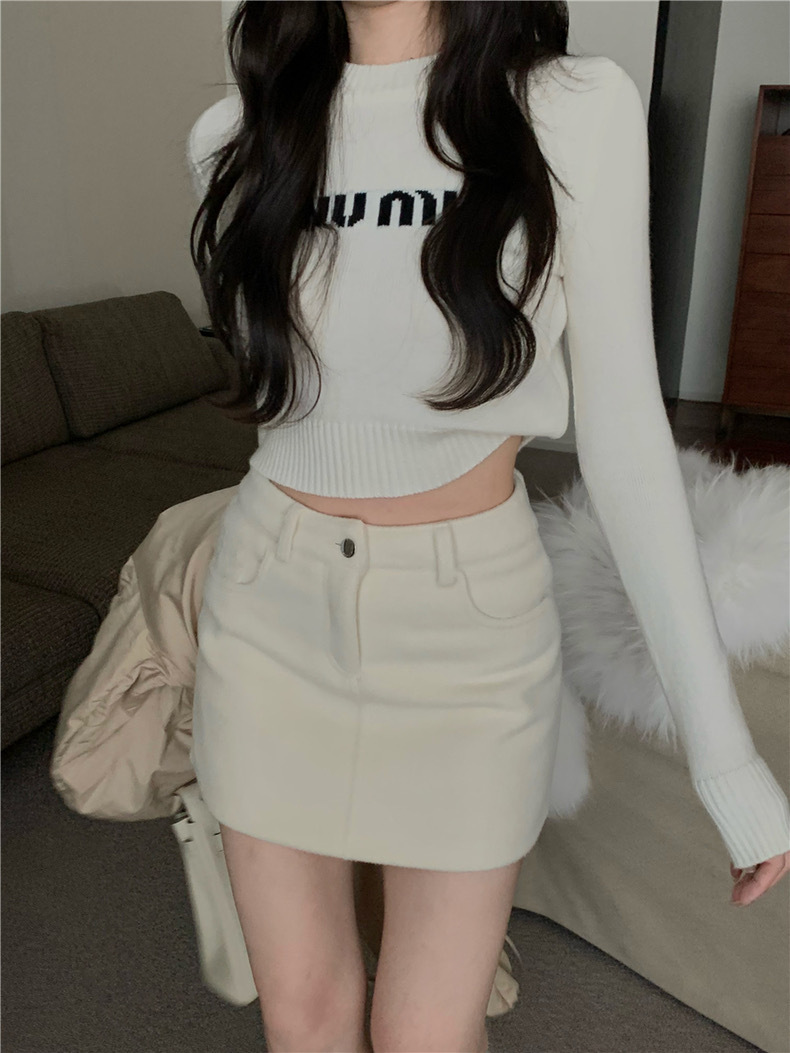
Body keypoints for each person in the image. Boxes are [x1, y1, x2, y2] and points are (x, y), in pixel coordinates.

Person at [186, 2, 790, 1050]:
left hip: (468, 630)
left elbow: (627, 445)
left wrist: (723, 755)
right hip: (267, 610)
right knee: (304, 1019)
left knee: (427, 1030)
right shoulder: (233, 135)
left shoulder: (569, 108)